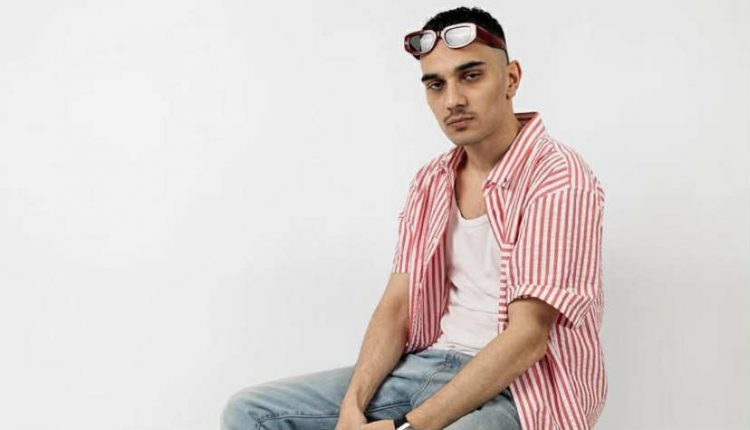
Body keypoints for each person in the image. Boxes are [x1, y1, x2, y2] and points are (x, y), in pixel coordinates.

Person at [221, 6, 606, 430]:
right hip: (428, 365)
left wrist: (408, 427)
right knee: (250, 413)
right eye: (436, 85)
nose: (452, 100)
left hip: (521, 390)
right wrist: (352, 407)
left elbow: (527, 338)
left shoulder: (559, 177)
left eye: (471, 76)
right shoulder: (431, 181)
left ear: (511, 78)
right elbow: (396, 306)